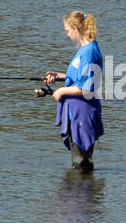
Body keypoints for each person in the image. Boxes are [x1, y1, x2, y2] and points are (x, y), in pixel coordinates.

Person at [43, 11, 104, 171]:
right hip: (74, 113)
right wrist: (59, 76)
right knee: (77, 162)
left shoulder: (90, 52)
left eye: (67, 31)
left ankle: (83, 195)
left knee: (82, 164)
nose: (67, 35)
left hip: (83, 113)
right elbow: (79, 77)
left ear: (76, 29)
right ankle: (78, 193)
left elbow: (86, 87)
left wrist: (62, 91)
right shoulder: (83, 50)